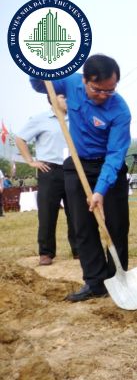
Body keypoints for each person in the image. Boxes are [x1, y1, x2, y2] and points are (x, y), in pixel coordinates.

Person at [30, 54, 131, 301]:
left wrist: (100, 191)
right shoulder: (70, 82)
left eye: (111, 90)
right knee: (82, 227)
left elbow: (116, 154)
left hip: (109, 167)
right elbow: (39, 84)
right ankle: (94, 282)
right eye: (98, 90)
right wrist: (39, 68)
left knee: (116, 226)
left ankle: (116, 278)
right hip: (77, 164)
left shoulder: (120, 109)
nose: (104, 95)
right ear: (85, 80)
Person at [14, 93, 78, 265]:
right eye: (63, 96)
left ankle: (79, 250)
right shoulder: (39, 119)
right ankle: (46, 253)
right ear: (52, 98)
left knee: (76, 212)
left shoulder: (76, 117)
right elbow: (20, 138)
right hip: (50, 169)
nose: (67, 99)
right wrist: (30, 161)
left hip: (74, 169)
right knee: (47, 213)